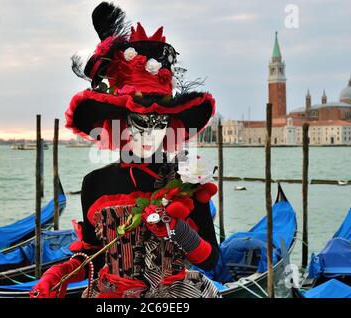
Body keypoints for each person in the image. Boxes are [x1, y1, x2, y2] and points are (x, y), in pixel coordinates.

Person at [31, 1, 220, 298]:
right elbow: (92, 255)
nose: (148, 133)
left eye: (158, 122)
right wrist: (60, 274)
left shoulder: (186, 180)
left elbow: (211, 260)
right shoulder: (95, 184)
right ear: (120, 122)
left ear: (170, 125)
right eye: (138, 121)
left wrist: (177, 229)